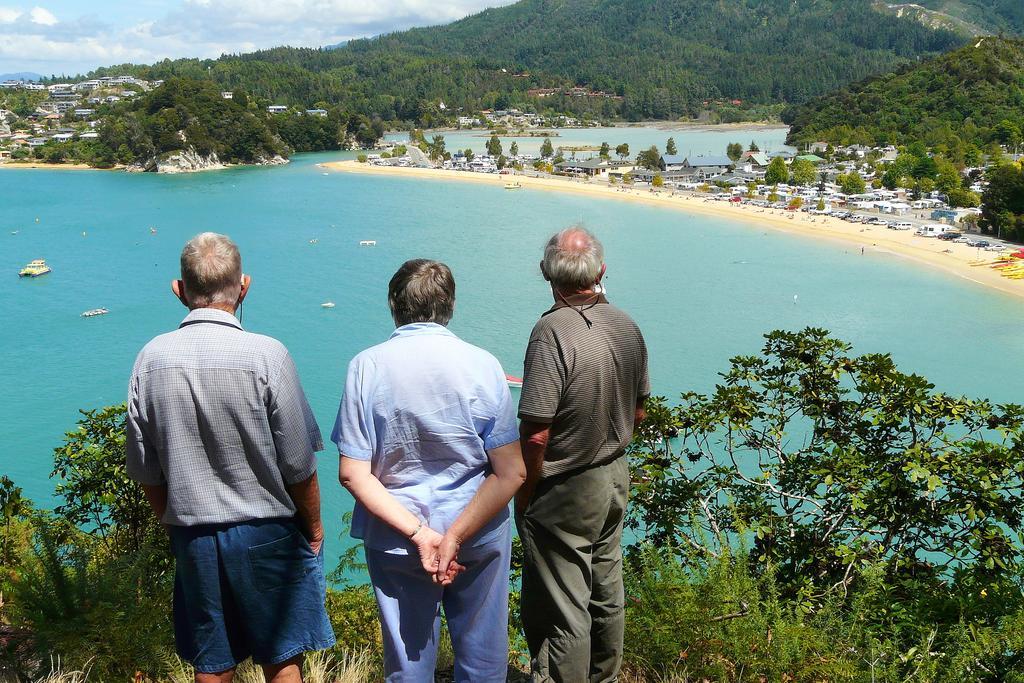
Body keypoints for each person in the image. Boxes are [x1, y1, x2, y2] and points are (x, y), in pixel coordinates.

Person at [126, 232, 335, 683]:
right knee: (283, 659)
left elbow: (145, 467)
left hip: (194, 535)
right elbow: (298, 464)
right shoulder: (267, 355)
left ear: (179, 290)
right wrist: (314, 529)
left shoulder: (150, 359)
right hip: (268, 531)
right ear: (244, 286)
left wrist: (173, 522)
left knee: (213, 663)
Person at [334, 259, 526, 682]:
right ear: (451, 306)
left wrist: (423, 535)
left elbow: (353, 473)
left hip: (398, 539)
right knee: (483, 662)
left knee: (408, 665)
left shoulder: (366, 366)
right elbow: (511, 472)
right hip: (477, 533)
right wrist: (454, 535)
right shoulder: (483, 365)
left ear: (393, 304)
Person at [516, 227, 650, 683]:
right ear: (601, 271)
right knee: (605, 589)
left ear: (545, 273)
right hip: (614, 476)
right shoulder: (627, 324)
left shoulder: (551, 330)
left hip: (565, 486)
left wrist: (527, 489)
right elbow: (638, 409)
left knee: (562, 603)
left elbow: (536, 433)